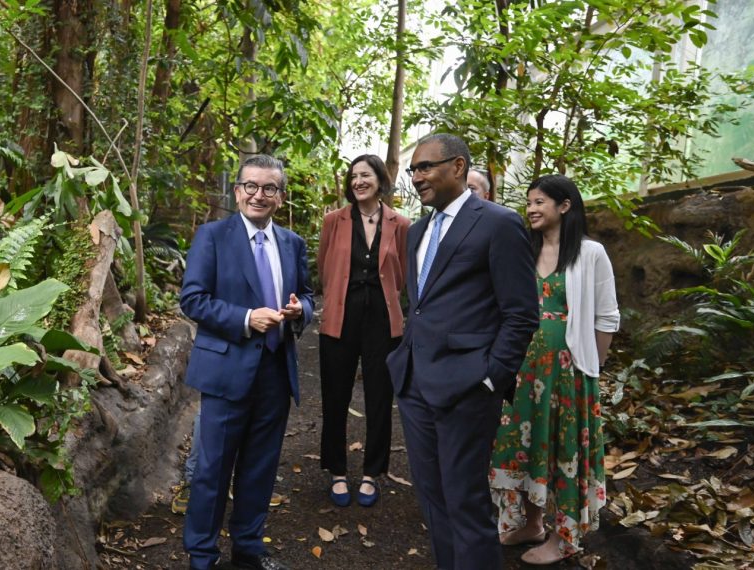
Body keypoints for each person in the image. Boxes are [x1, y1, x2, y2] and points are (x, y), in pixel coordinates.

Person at [385, 133, 539, 570]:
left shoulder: (498, 222)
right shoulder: (416, 232)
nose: (416, 177)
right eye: (413, 169)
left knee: (465, 500)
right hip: (415, 383)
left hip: (468, 388)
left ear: (457, 167)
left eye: (425, 167)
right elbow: (420, 304)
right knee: (432, 499)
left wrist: (491, 378)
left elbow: (521, 313)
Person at [179, 154, 314, 570]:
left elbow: (308, 296)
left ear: (280, 196)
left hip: (275, 371)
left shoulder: (293, 243)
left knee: (259, 469)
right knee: (213, 471)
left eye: (269, 188)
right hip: (225, 371)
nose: (259, 195)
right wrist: (245, 318)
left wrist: (299, 311)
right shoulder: (213, 236)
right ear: (237, 191)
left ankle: (248, 550)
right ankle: (202, 556)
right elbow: (193, 299)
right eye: (251, 186)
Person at [489, 175, 619, 565]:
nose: (531, 209)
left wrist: (588, 368)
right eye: (529, 202)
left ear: (564, 206)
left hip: (567, 375)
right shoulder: (523, 251)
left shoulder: (590, 253)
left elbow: (607, 316)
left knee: (562, 452)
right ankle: (531, 524)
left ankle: (565, 538)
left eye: (540, 201)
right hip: (522, 372)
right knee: (525, 448)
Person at [317, 154, 409, 507]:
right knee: (335, 396)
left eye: (365, 175)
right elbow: (325, 268)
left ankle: (372, 473)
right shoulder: (333, 221)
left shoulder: (400, 223)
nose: (358, 182)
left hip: (383, 320)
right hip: (340, 316)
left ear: (380, 180)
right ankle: (337, 472)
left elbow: (401, 274)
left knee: (379, 398)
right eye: (353, 176)